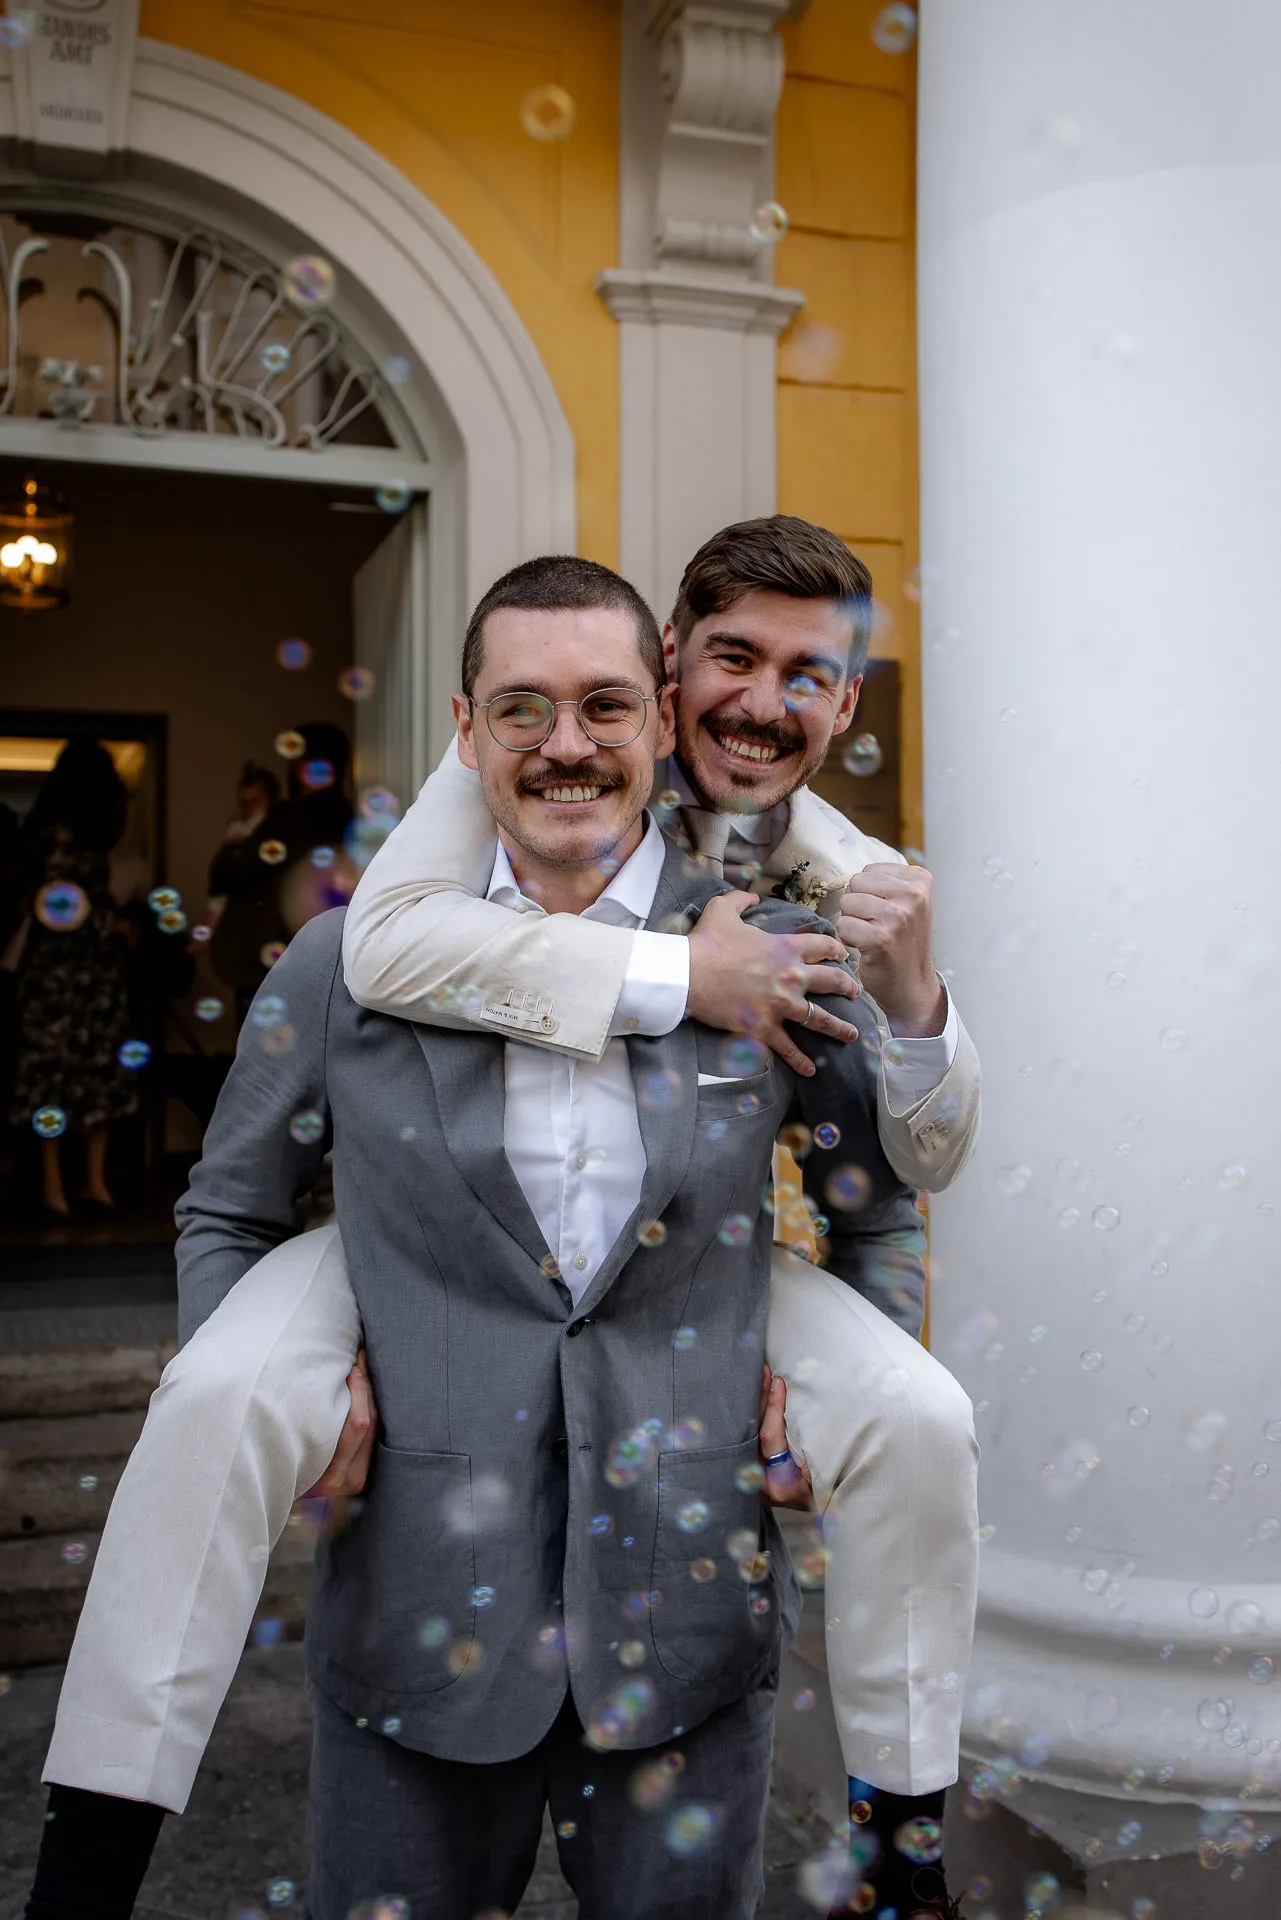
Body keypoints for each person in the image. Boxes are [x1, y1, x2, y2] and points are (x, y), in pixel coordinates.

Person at [31, 545, 977, 1919]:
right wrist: (302, 1418)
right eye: (521, 708)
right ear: (464, 730)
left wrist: (829, 1417)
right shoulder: (349, 960)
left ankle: (907, 1857)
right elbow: (229, 1203)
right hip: (417, 1627)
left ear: (657, 719)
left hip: (684, 1625)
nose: (566, 745)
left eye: (604, 706)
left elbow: (876, 1205)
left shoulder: (777, 949)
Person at [6, 741, 139, 1219]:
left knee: (78, 1076)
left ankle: (79, 1184)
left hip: (76, 976)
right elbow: (58, 904)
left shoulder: (67, 834)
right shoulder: (63, 837)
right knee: (62, 1077)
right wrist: (113, 924)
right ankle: (64, 1186)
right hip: (65, 976)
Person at [208, 728, 350, 1027]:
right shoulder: (345, 816)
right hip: (318, 957)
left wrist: (228, 854)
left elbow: (229, 872)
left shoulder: (289, 819)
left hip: (267, 960)